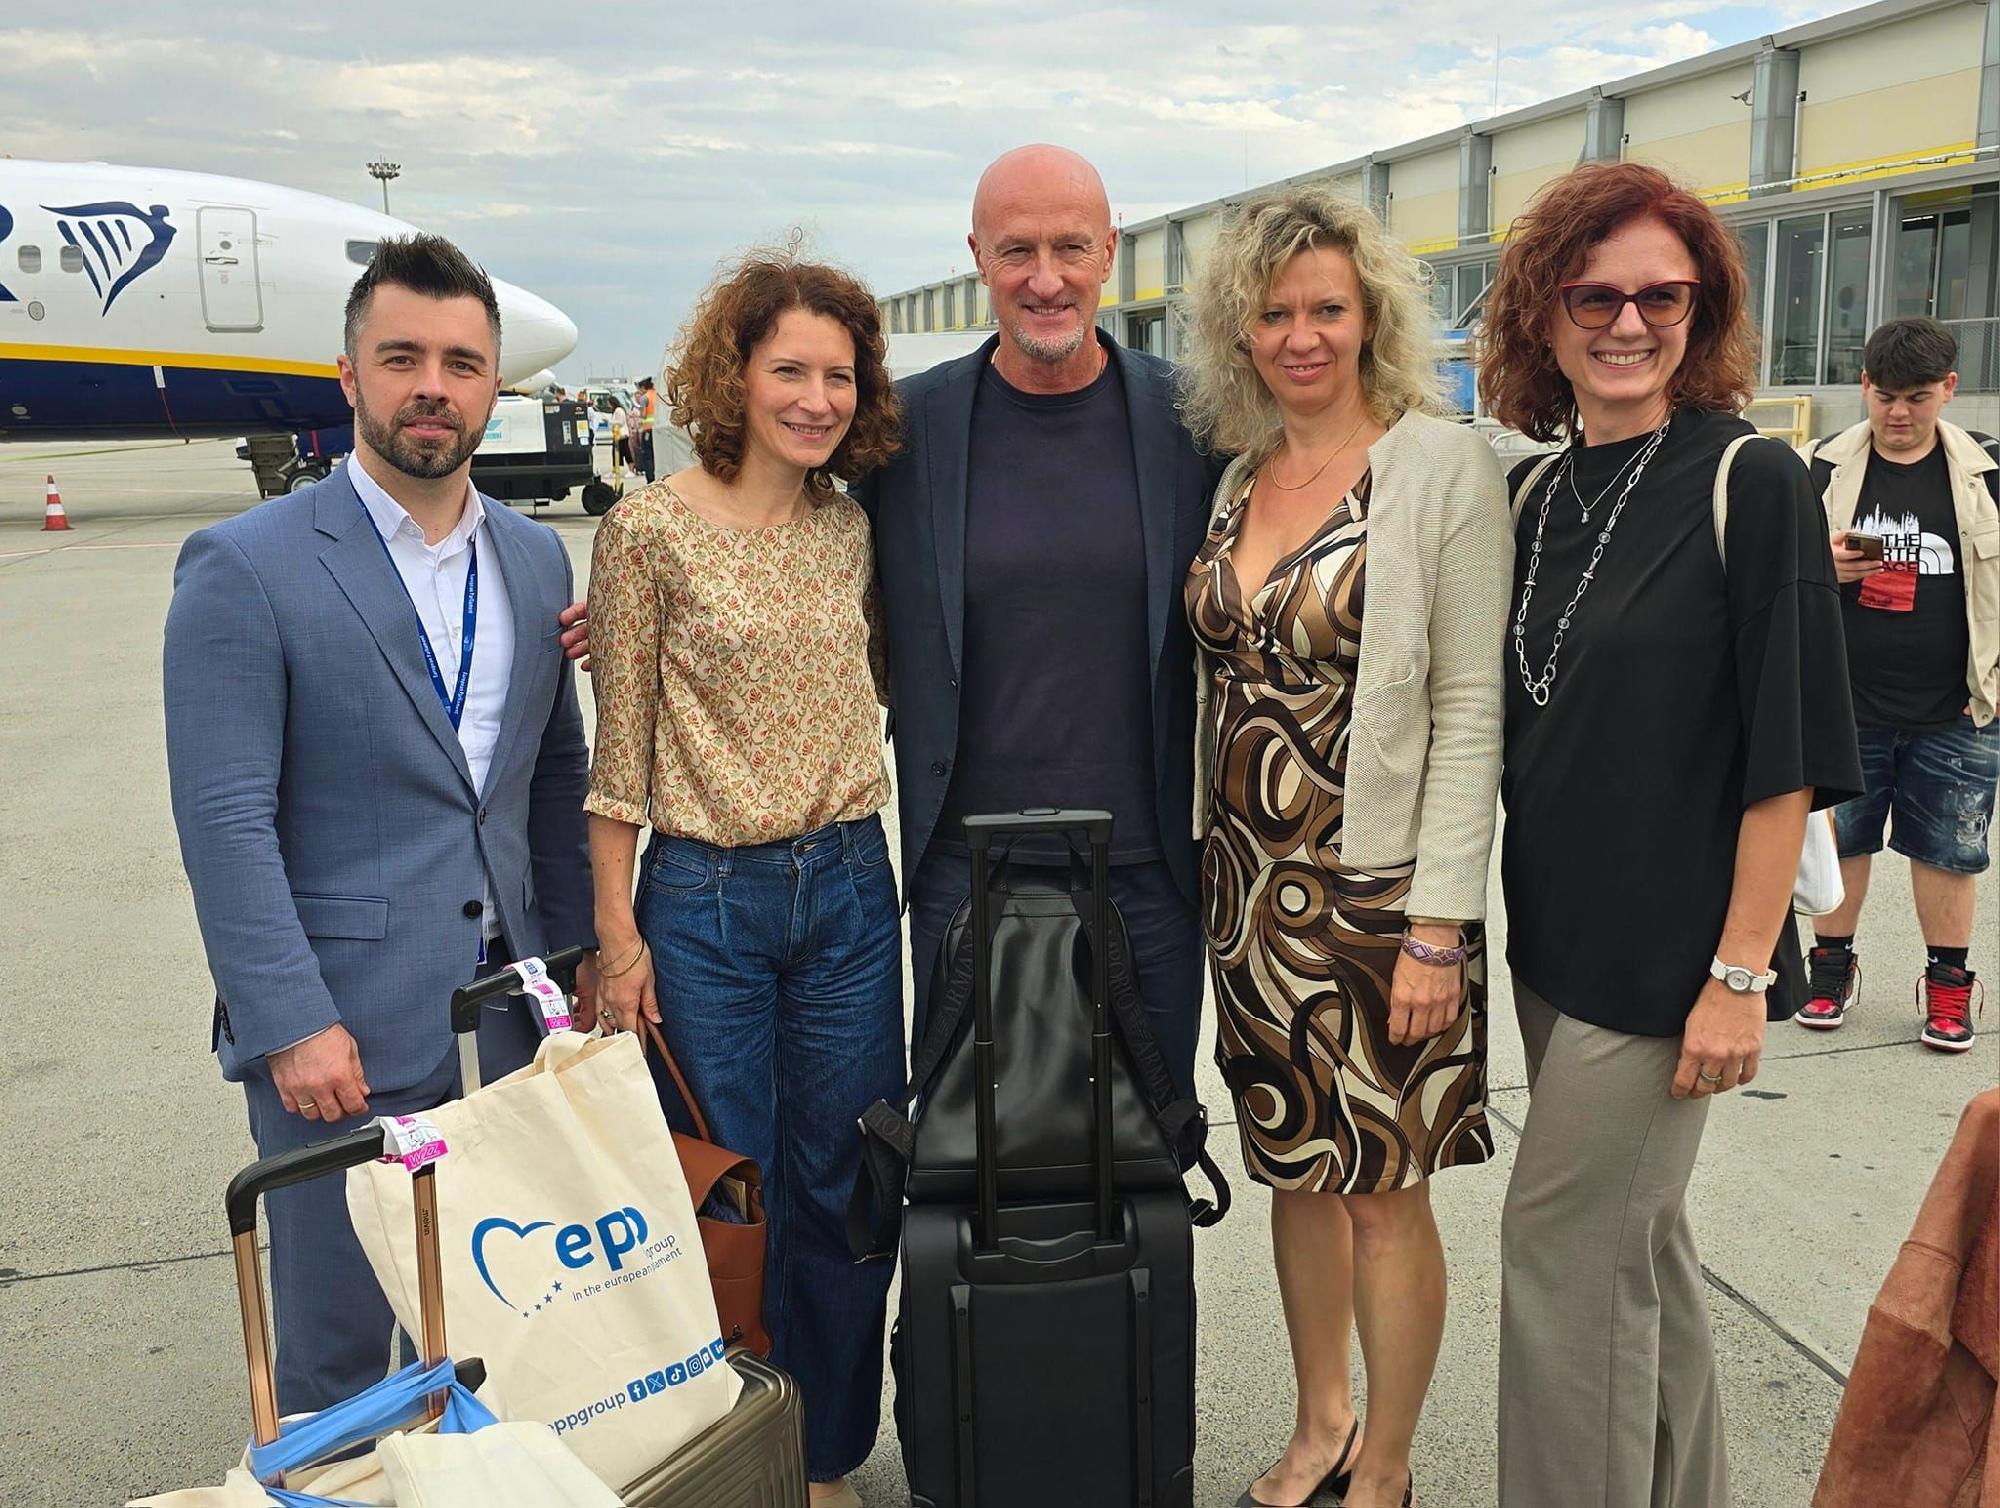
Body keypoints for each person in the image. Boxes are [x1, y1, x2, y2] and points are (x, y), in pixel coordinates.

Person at [1477, 160, 1862, 1508]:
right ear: (1543, 313)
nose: (1628, 322)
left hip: (1671, 961)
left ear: (1702, 313)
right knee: (1635, 1256)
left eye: (1662, 295)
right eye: (1594, 295)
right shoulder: (1536, 494)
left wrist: (1741, 972)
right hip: (1551, 944)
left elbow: (1787, 760)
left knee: (1559, 1251)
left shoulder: (1750, 478)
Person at [163, 233, 598, 1417]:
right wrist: (290, 1020)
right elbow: (223, 818)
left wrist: (575, 962)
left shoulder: (531, 558)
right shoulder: (246, 565)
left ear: (494, 385)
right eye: (401, 357)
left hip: (506, 1018)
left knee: (504, 1329)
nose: (432, 387)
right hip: (342, 1035)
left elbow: (551, 775)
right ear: (348, 374)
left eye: (462, 363)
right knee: (341, 1359)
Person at [1178, 185, 1510, 1508]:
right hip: (1244, 899)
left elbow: (1470, 712)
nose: (1302, 336)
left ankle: (1385, 1464)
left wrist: (1440, 926)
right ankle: (1320, 1423)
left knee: (1383, 1191)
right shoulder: (1237, 475)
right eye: (1275, 314)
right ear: (1240, 332)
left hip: (1378, 904)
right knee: (1295, 1173)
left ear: (1368, 315)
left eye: (1326, 308)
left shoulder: (1440, 466)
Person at [585, 248, 904, 1508]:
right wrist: (617, 939)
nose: (816, 399)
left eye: (839, 376)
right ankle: (733, 1451)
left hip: (848, 889)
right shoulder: (647, 531)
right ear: (735, 373)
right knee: (727, 1186)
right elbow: (618, 758)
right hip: (702, 901)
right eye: (790, 371)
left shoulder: (850, 529)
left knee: (846, 1176)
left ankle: (822, 1451)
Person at [851, 143, 1225, 1095]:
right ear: (978, 257)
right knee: (968, 1151)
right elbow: (789, 532)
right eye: (1018, 250)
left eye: (1070, 248)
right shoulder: (905, 428)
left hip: (1147, 870)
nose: (1045, 279)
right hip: (964, 869)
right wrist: (655, 600)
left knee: (1147, 1148)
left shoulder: (1195, 421)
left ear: (1110, 253)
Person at [1792, 316, 2000, 1051]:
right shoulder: (1818, 470)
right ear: (1864, 387)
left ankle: (1948, 988)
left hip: (1960, 708)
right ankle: (1829, 972)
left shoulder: (1988, 473)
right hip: (1844, 703)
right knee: (1841, 843)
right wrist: (1818, 564)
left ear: (1948, 388)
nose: (1899, 414)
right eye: (1885, 396)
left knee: (1949, 852)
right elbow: (1766, 575)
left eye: (1917, 397)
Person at [633, 375, 659, 482]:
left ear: (643, 387)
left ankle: (650, 479)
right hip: (658, 429)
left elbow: (643, 415)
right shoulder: (657, 394)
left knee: (647, 456)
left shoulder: (645, 398)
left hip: (648, 429)